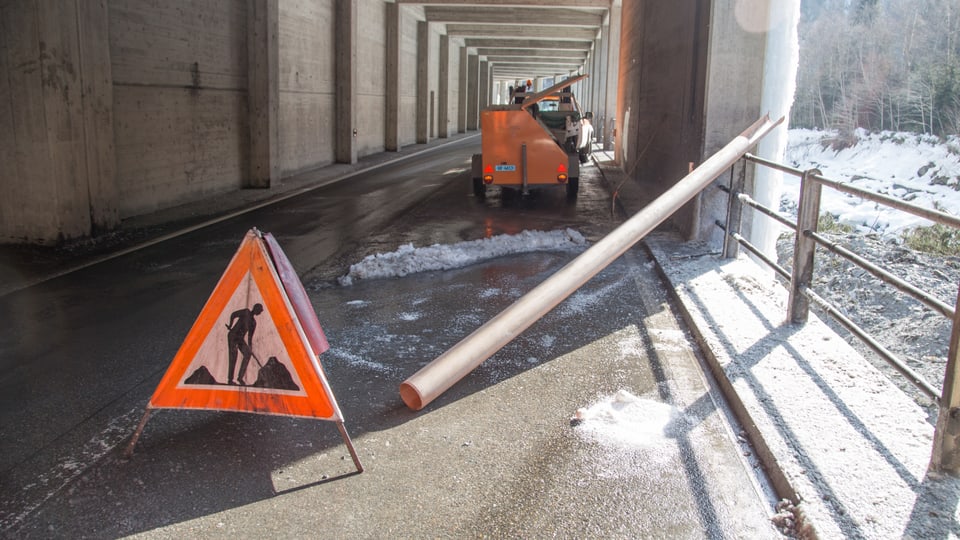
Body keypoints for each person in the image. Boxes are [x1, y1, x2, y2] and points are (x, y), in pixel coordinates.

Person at [226, 303, 263, 385]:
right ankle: (230, 379)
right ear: (255, 308)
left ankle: (240, 377)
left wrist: (250, 348)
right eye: (259, 310)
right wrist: (230, 325)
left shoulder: (253, 323)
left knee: (247, 354)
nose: (260, 313)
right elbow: (233, 314)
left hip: (240, 339)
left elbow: (250, 337)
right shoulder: (246, 312)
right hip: (233, 336)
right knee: (233, 356)